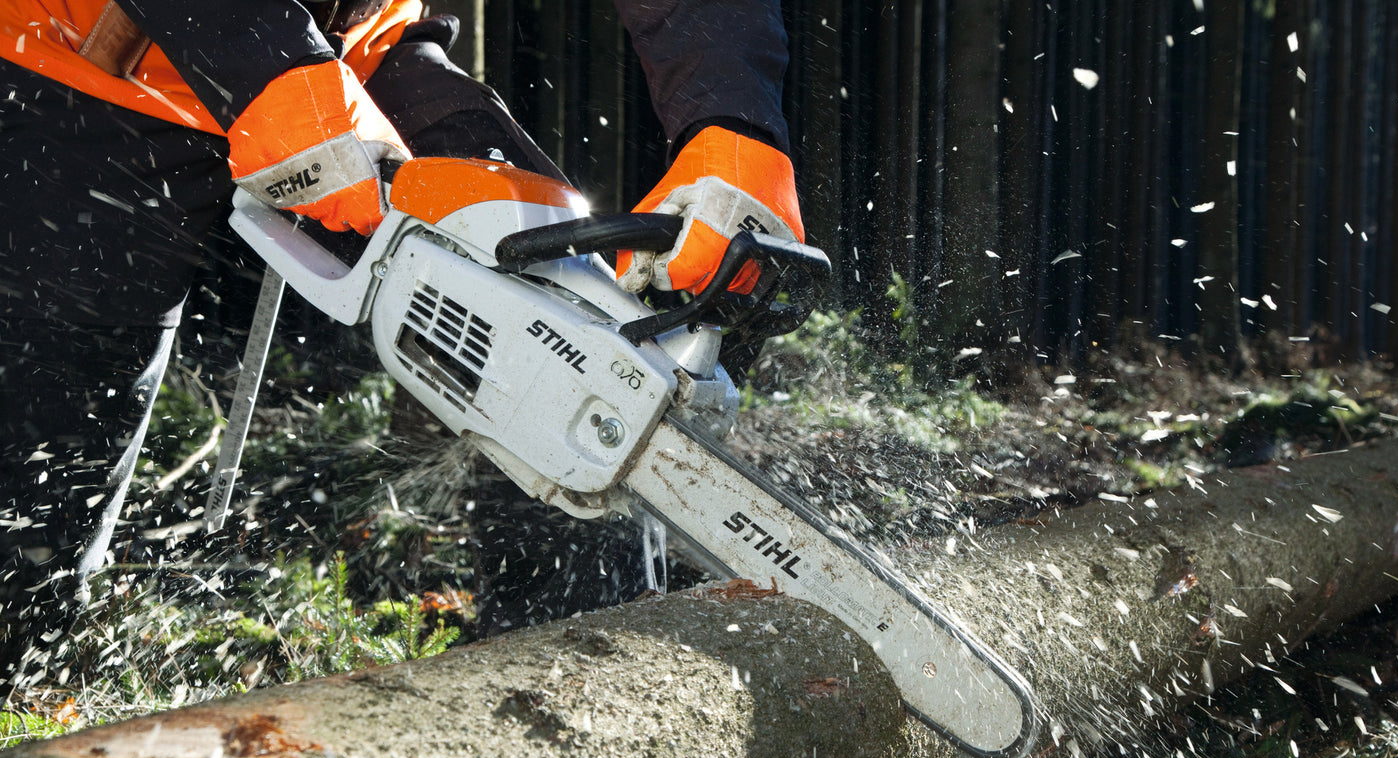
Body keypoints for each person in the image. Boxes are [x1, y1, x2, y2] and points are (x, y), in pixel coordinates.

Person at [0, 0, 806, 689]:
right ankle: (27, 679)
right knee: (42, 469)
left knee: (565, 313)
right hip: (85, 55)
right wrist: (260, 56)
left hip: (358, 48)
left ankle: (587, 684)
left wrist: (730, 119)